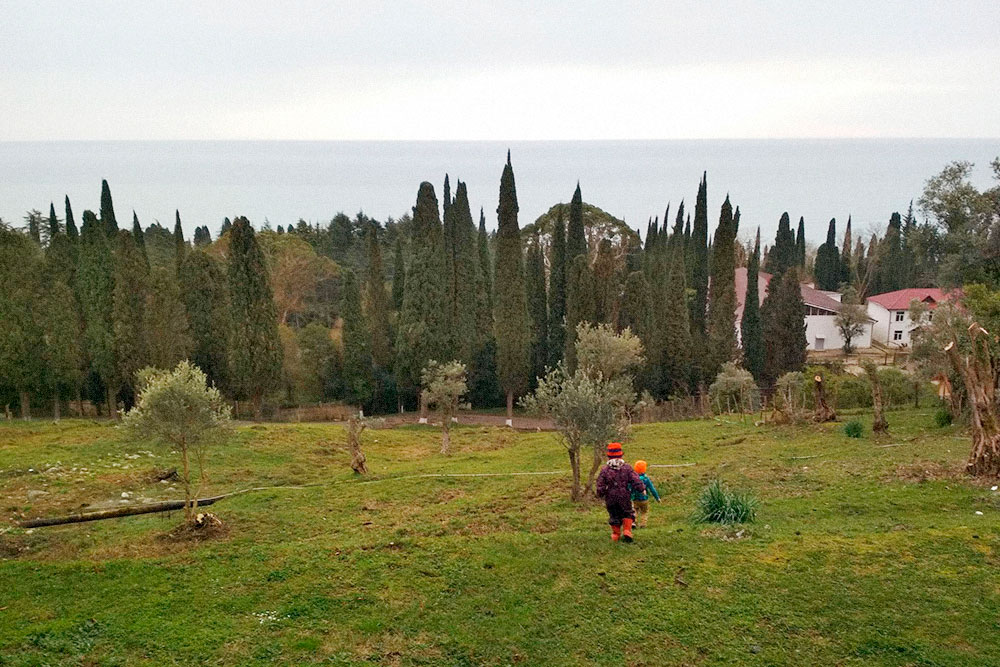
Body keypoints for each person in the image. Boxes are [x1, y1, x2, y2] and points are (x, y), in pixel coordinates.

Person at [595, 442, 644, 543]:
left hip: (610, 497)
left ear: (608, 456)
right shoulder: (627, 468)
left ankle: (616, 534)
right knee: (627, 513)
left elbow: (600, 484)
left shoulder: (605, 470)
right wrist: (641, 488)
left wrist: (600, 493)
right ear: (621, 455)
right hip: (624, 496)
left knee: (614, 515)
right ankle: (627, 531)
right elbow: (636, 480)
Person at [630, 460, 661, 528]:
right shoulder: (646, 479)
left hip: (635, 499)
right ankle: (643, 524)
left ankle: (633, 522)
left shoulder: (633, 479)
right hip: (644, 499)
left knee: (634, 510)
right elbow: (652, 489)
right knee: (644, 512)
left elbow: (629, 487)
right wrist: (657, 498)